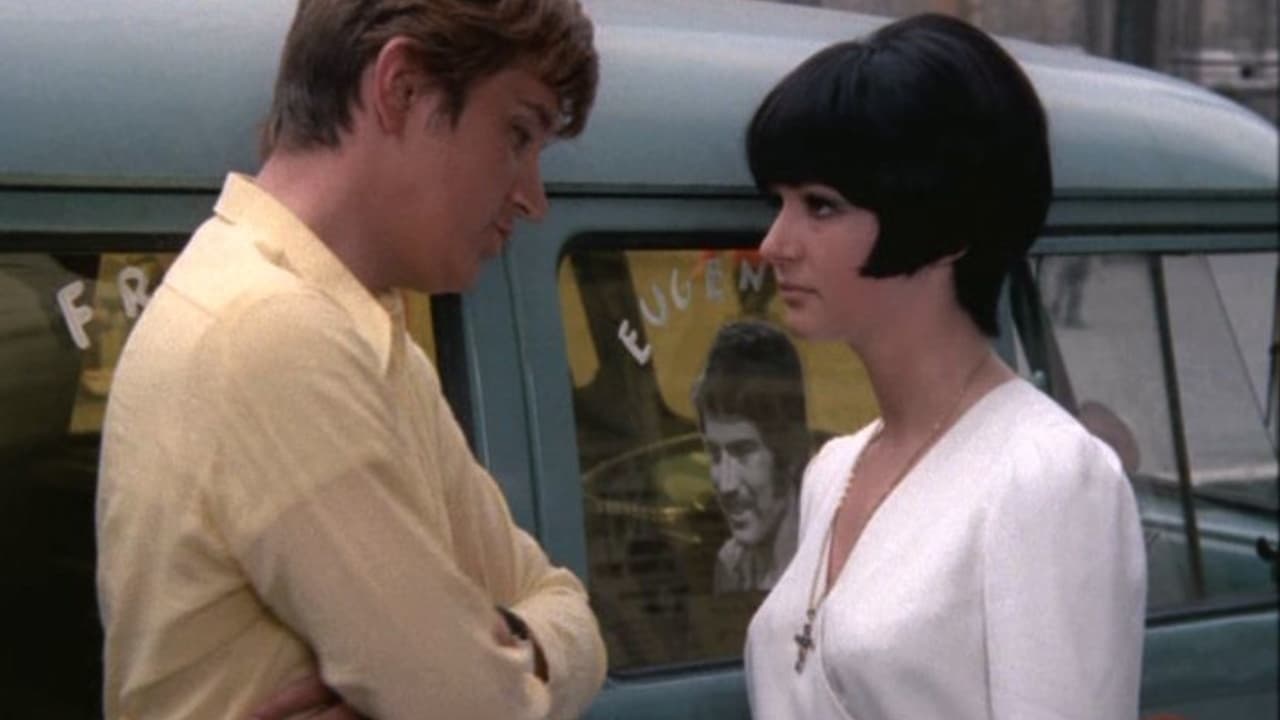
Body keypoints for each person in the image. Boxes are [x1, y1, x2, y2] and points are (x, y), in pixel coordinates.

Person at [95, 2, 605, 719]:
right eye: (517, 134)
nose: (532, 198)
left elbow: (563, 606)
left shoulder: (350, 331)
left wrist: (512, 645)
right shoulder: (270, 334)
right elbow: (474, 708)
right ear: (402, 88)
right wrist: (494, 664)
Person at [741, 13, 1146, 720]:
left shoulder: (1046, 475)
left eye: (821, 207)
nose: (775, 242)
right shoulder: (832, 472)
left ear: (946, 226)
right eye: (780, 204)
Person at [691, 320, 810, 594]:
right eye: (714, 454)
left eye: (743, 452)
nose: (726, 485)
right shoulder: (731, 566)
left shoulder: (832, 566)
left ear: (792, 450)